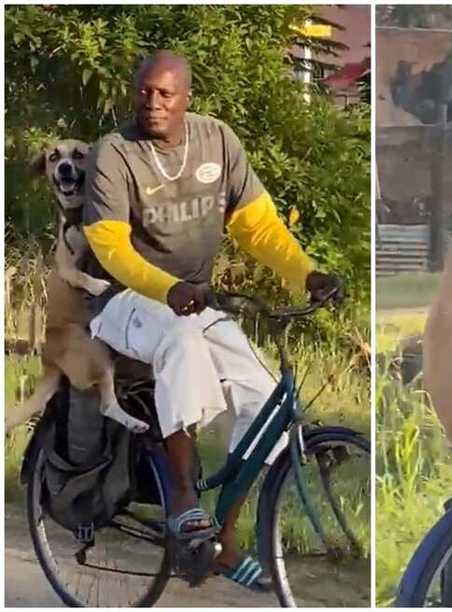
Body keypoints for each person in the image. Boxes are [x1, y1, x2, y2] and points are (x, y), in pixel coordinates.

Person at [82, 51, 343, 590]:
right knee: (181, 339)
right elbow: (108, 246)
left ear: (187, 99)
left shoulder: (216, 141)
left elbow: (258, 228)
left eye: (165, 94)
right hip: (121, 301)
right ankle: (181, 497)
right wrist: (167, 287)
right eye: (145, 92)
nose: (153, 103)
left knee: (268, 402)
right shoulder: (114, 153)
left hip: (193, 300)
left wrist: (306, 273)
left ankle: (222, 539)